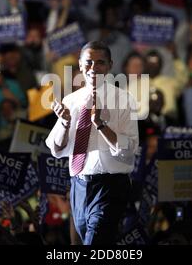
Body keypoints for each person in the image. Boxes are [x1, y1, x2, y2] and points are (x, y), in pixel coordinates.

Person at [45, 41, 139, 245]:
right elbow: (56, 149)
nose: (93, 68)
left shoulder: (124, 100)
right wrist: (64, 122)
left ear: (110, 65)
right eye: (88, 62)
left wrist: (100, 125)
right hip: (79, 186)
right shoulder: (71, 101)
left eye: (100, 62)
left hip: (110, 186)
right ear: (80, 65)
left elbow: (130, 149)